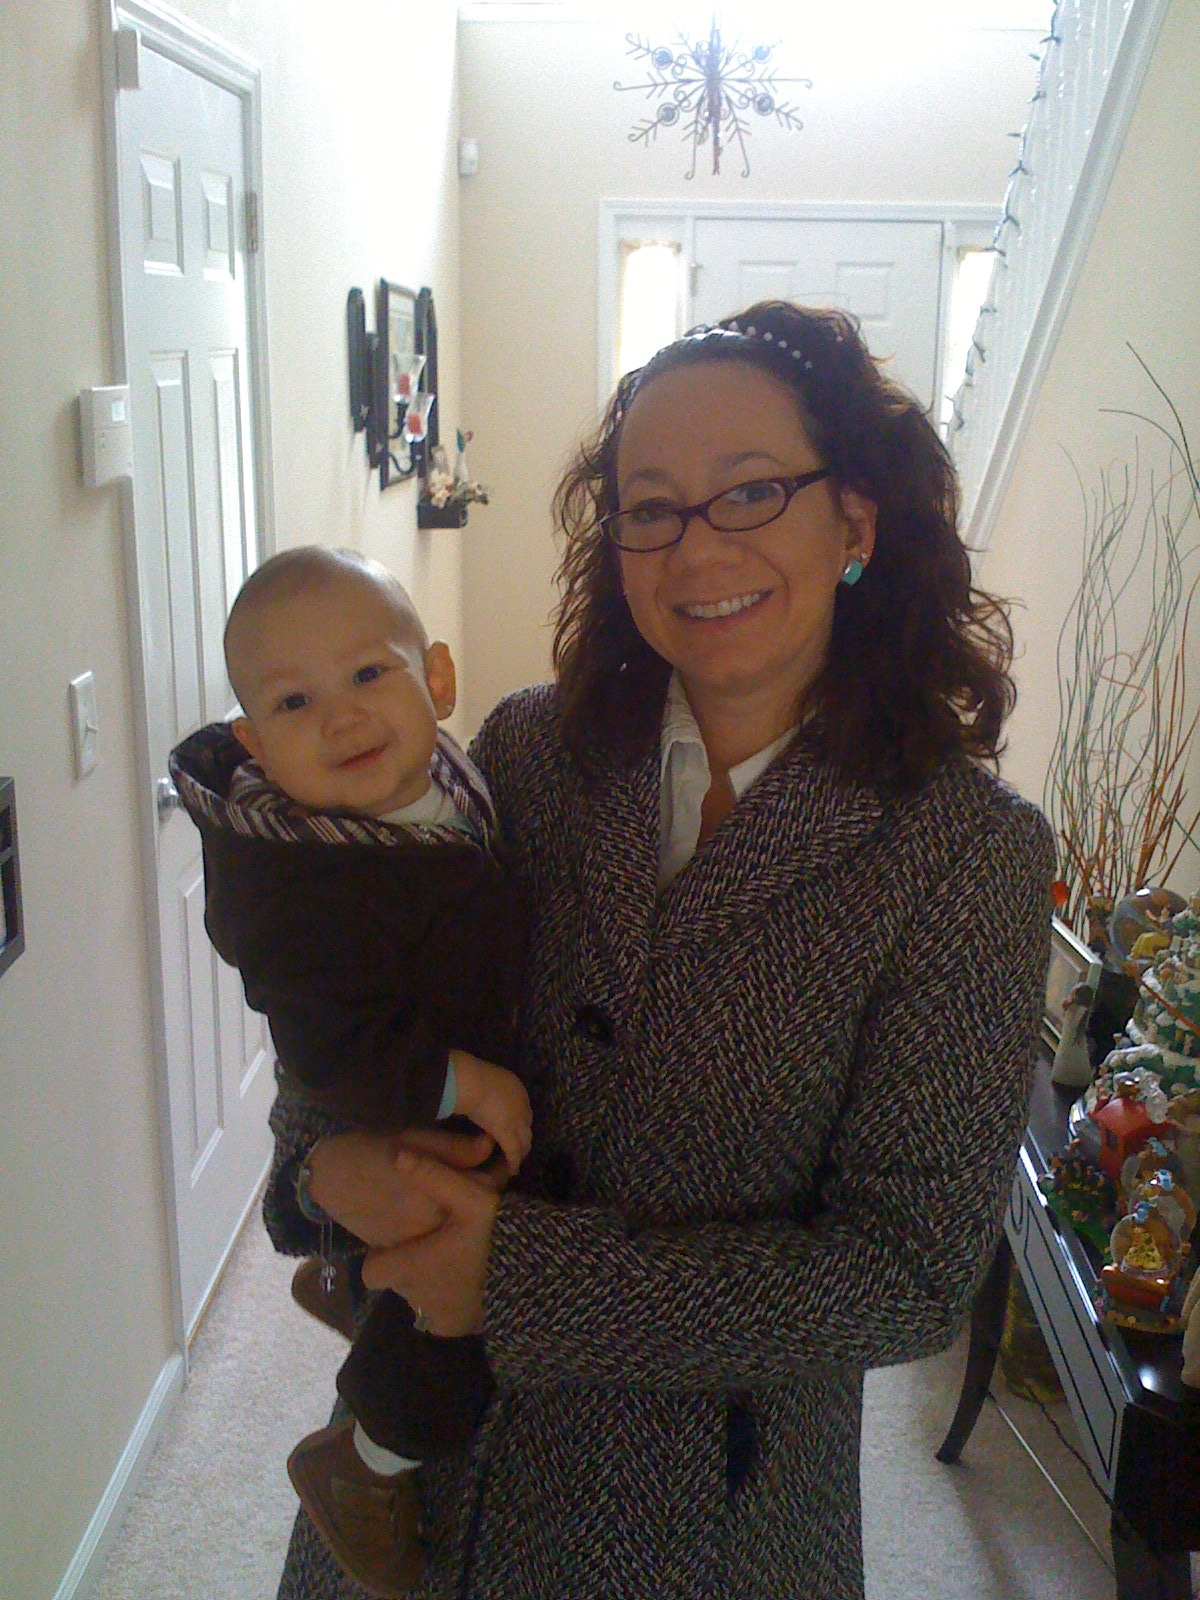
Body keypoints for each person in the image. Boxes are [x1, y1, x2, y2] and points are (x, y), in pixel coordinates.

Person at [267, 301, 1056, 1600]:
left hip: (704, 1524)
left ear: (854, 523)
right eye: (651, 507)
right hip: (403, 1497)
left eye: (751, 491)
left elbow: (910, 1272)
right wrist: (318, 1161)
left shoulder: (967, 853)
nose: (696, 548)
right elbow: (354, 984)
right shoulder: (524, 752)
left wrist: (518, 1282)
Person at [169, 547, 529, 1597]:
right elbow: (328, 1049)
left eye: (371, 673)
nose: (343, 716)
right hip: (406, 1109)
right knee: (464, 1329)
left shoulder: (444, 784)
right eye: (294, 701)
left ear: (439, 680)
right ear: (254, 743)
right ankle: (364, 1462)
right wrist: (467, 1082)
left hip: (433, 1092)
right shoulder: (296, 884)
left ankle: (351, 1278)